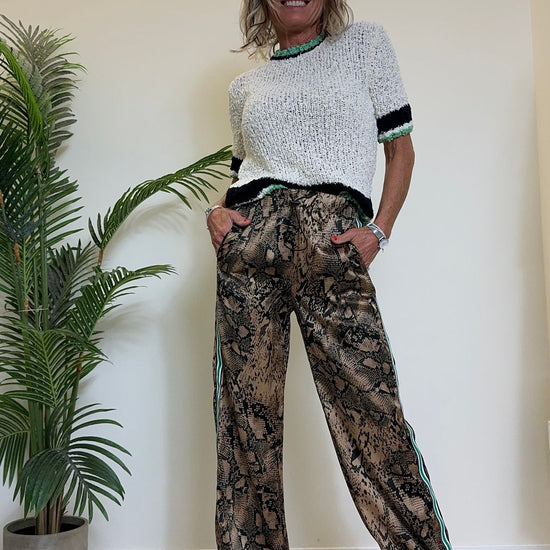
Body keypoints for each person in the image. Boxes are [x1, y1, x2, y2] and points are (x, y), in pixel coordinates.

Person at [206, 1, 452, 549]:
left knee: (373, 413)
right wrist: (215, 214)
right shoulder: (244, 87)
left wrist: (379, 230)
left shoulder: (364, 45)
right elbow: (243, 174)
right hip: (252, 249)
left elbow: (401, 150)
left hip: (332, 239)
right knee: (246, 424)